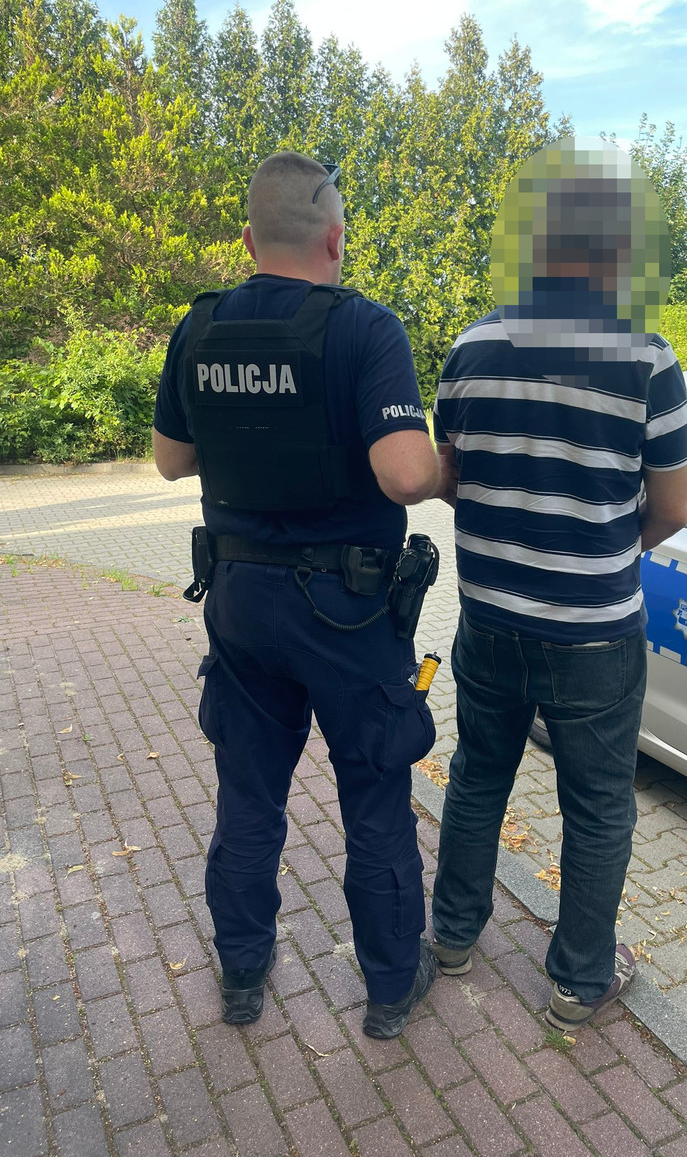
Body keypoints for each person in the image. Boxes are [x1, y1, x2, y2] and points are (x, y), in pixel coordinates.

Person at [152, 152, 441, 1039]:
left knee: (248, 794)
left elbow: (170, 461)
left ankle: (243, 972)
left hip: (241, 600)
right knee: (374, 794)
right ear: (335, 239)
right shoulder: (366, 329)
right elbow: (405, 475)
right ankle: (389, 988)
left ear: (249, 240)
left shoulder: (199, 328)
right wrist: (451, 466)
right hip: (349, 611)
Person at [430, 139, 687, 1031]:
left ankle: (452, 937)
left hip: (489, 619)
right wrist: (607, 548)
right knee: (598, 806)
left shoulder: (470, 347)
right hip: (596, 633)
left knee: (476, 779)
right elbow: (672, 511)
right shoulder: (647, 357)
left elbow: (456, 478)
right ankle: (580, 981)